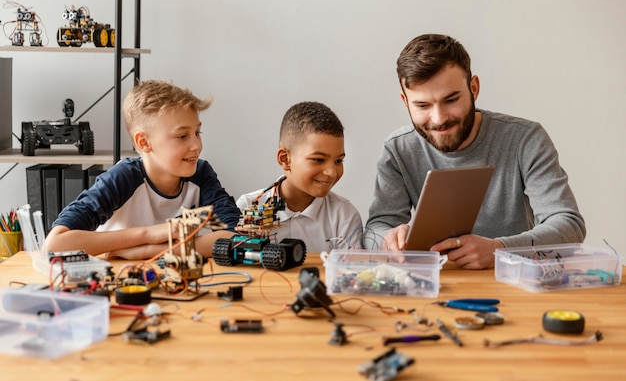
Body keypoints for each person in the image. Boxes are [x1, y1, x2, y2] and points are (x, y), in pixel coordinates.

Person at [366, 34, 585, 269]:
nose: (439, 119)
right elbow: (374, 230)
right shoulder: (397, 149)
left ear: (474, 88)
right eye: (422, 105)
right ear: (405, 102)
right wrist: (388, 241)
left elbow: (569, 225)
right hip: (433, 284)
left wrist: (499, 250)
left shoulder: (525, 138)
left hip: (515, 280)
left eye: (451, 100)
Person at [45, 80, 241, 260]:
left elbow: (235, 236)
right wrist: (150, 234)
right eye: (182, 136)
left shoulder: (201, 173)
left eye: (197, 132)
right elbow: (55, 244)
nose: (196, 145)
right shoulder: (121, 178)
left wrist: (152, 251)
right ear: (144, 142)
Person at [236, 101, 363, 252]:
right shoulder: (247, 207)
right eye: (318, 160)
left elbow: (348, 273)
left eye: (338, 161)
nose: (332, 172)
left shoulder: (344, 216)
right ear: (285, 159)